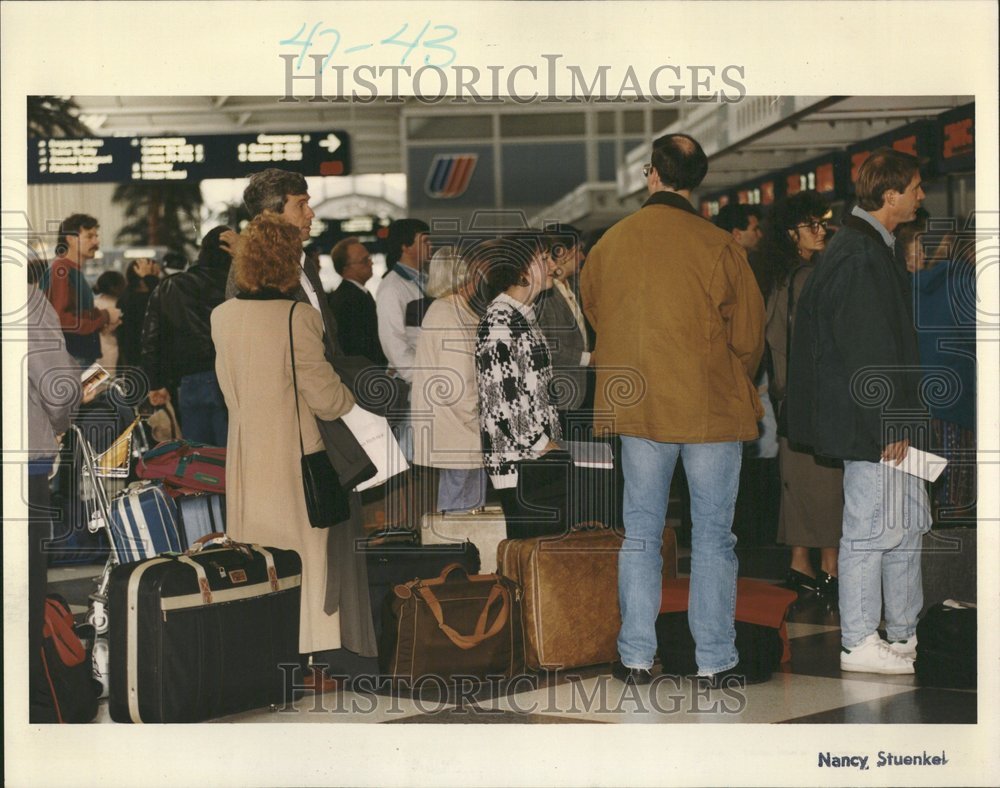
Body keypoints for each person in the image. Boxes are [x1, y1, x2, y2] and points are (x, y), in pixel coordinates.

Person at [581, 133, 765, 687]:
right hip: (708, 406)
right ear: (696, 180)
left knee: (640, 532)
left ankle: (636, 657)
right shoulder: (719, 246)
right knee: (712, 535)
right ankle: (714, 661)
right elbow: (750, 335)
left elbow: (597, 313)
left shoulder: (610, 244)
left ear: (651, 174)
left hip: (636, 406)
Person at [221, 168, 380, 681]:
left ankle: (319, 653)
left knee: (304, 547)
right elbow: (311, 372)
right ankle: (319, 654)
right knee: (313, 547)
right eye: (301, 203)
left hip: (255, 445)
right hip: (304, 439)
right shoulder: (266, 289)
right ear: (272, 213)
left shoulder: (295, 272)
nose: (311, 212)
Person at [787, 148, 931, 675]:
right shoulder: (861, 254)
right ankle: (858, 641)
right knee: (871, 532)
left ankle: (900, 634)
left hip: (882, 425)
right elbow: (865, 349)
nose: (922, 195)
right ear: (889, 195)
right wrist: (888, 421)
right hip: (873, 427)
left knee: (901, 528)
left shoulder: (867, 248)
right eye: (915, 187)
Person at [760, 192, 844, 597]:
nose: (821, 230)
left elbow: (773, 341)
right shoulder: (810, 277)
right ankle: (830, 565)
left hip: (790, 400)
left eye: (823, 222)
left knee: (797, 481)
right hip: (816, 400)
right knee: (827, 481)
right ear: (791, 233)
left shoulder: (781, 276)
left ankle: (800, 562)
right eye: (812, 224)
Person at [476, 234, 578, 539]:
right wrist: (543, 446)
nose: (552, 265)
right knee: (533, 561)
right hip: (521, 463)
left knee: (542, 562)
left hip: (533, 459)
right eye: (543, 258)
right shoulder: (500, 320)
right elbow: (503, 401)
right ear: (520, 269)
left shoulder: (522, 314)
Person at [26, 259, 84, 721]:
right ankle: (34, 705)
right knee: (23, 586)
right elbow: (58, 388)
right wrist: (61, 423)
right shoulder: (25, 300)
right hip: (21, 461)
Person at [897, 213, 977, 525]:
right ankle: (954, 565)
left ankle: (924, 563)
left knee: (920, 487)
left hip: (916, 404)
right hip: (957, 402)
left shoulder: (905, 287)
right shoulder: (964, 283)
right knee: (957, 493)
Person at [411, 246, 490, 513]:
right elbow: (456, 382)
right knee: (460, 508)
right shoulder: (449, 315)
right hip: (460, 426)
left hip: (459, 427)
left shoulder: (450, 310)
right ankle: (454, 554)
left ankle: (460, 553)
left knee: (465, 505)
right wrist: (478, 415)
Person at [141, 226, 233, 446]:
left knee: (199, 463)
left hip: (189, 381)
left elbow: (150, 341)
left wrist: (156, 384)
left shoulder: (169, 287)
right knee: (233, 461)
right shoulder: (237, 285)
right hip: (230, 379)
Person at [37, 213, 121, 367]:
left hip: (77, 356)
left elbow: (75, 312)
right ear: (70, 239)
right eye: (89, 236)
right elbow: (61, 320)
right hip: (73, 358)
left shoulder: (69, 270)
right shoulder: (61, 271)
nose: (96, 241)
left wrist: (103, 319)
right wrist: (104, 316)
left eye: (96, 236)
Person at [534, 224, 594, 437]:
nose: (583, 257)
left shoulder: (576, 288)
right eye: (578, 250)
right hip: (559, 397)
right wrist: (588, 358)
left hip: (582, 394)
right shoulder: (542, 296)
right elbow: (544, 346)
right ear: (561, 253)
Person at [376, 218, 431, 388]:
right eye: (425, 241)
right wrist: (418, 379)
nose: (431, 246)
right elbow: (393, 342)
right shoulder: (391, 288)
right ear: (405, 247)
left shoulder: (426, 280)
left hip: (429, 373)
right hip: (412, 384)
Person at [327, 237, 387, 366]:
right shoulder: (348, 300)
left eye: (369, 258)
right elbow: (356, 348)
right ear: (346, 268)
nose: (371, 264)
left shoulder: (356, 293)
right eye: (364, 261)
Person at [116, 257, 161, 372]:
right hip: (139, 358)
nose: (153, 266)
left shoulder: (128, 296)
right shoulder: (130, 298)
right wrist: (150, 277)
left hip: (145, 357)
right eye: (148, 264)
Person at [93, 270, 126, 375]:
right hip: (112, 351)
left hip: (94, 351)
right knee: (110, 384)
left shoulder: (93, 303)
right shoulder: (119, 305)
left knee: (93, 385)